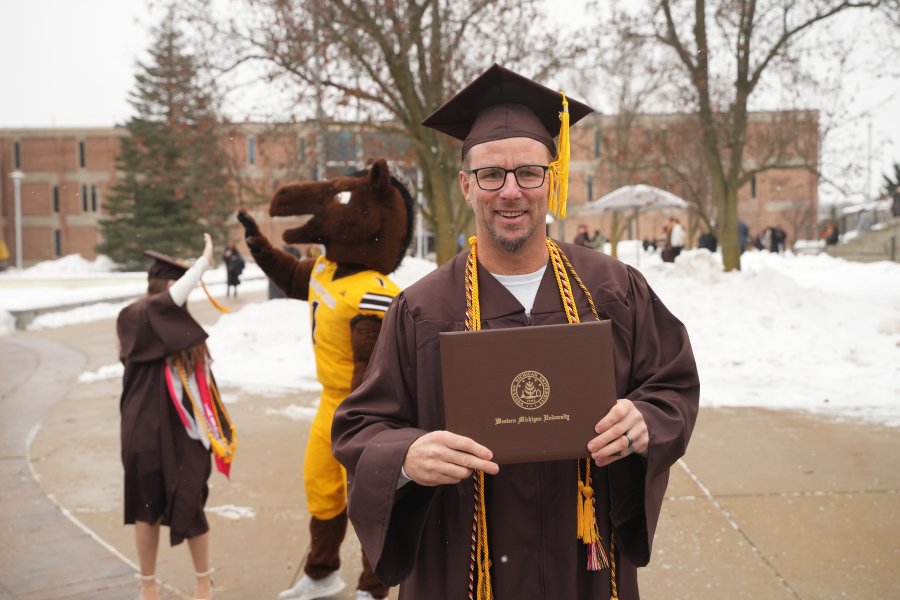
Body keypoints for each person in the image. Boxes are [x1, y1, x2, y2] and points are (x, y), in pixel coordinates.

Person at [332, 64, 699, 600]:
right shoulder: (421, 309)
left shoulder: (614, 290)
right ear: (465, 185)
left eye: (528, 172)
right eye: (491, 175)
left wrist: (646, 422)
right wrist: (407, 456)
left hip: (585, 566)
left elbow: (672, 387)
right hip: (461, 566)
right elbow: (360, 428)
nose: (511, 191)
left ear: (552, 179)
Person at [238, 158, 414, 600]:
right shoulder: (325, 270)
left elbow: (373, 369)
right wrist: (260, 246)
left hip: (365, 409)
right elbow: (294, 277)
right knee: (321, 487)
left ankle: (373, 588)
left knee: (370, 497)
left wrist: (362, 423)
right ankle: (321, 573)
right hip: (328, 402)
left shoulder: (374, 290)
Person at [117, 234, 236, 600]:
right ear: (160, 286)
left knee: (190, 501)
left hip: (187, 433)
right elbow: (163, 305)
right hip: (145, 429)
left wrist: (218, 432)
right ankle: (147, 583)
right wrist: (200, 265)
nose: (180, 294)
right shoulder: (135, 316)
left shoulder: (185, 332)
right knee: (146, 507)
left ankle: (203, 580)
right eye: (175, 285)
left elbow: (204, 386)